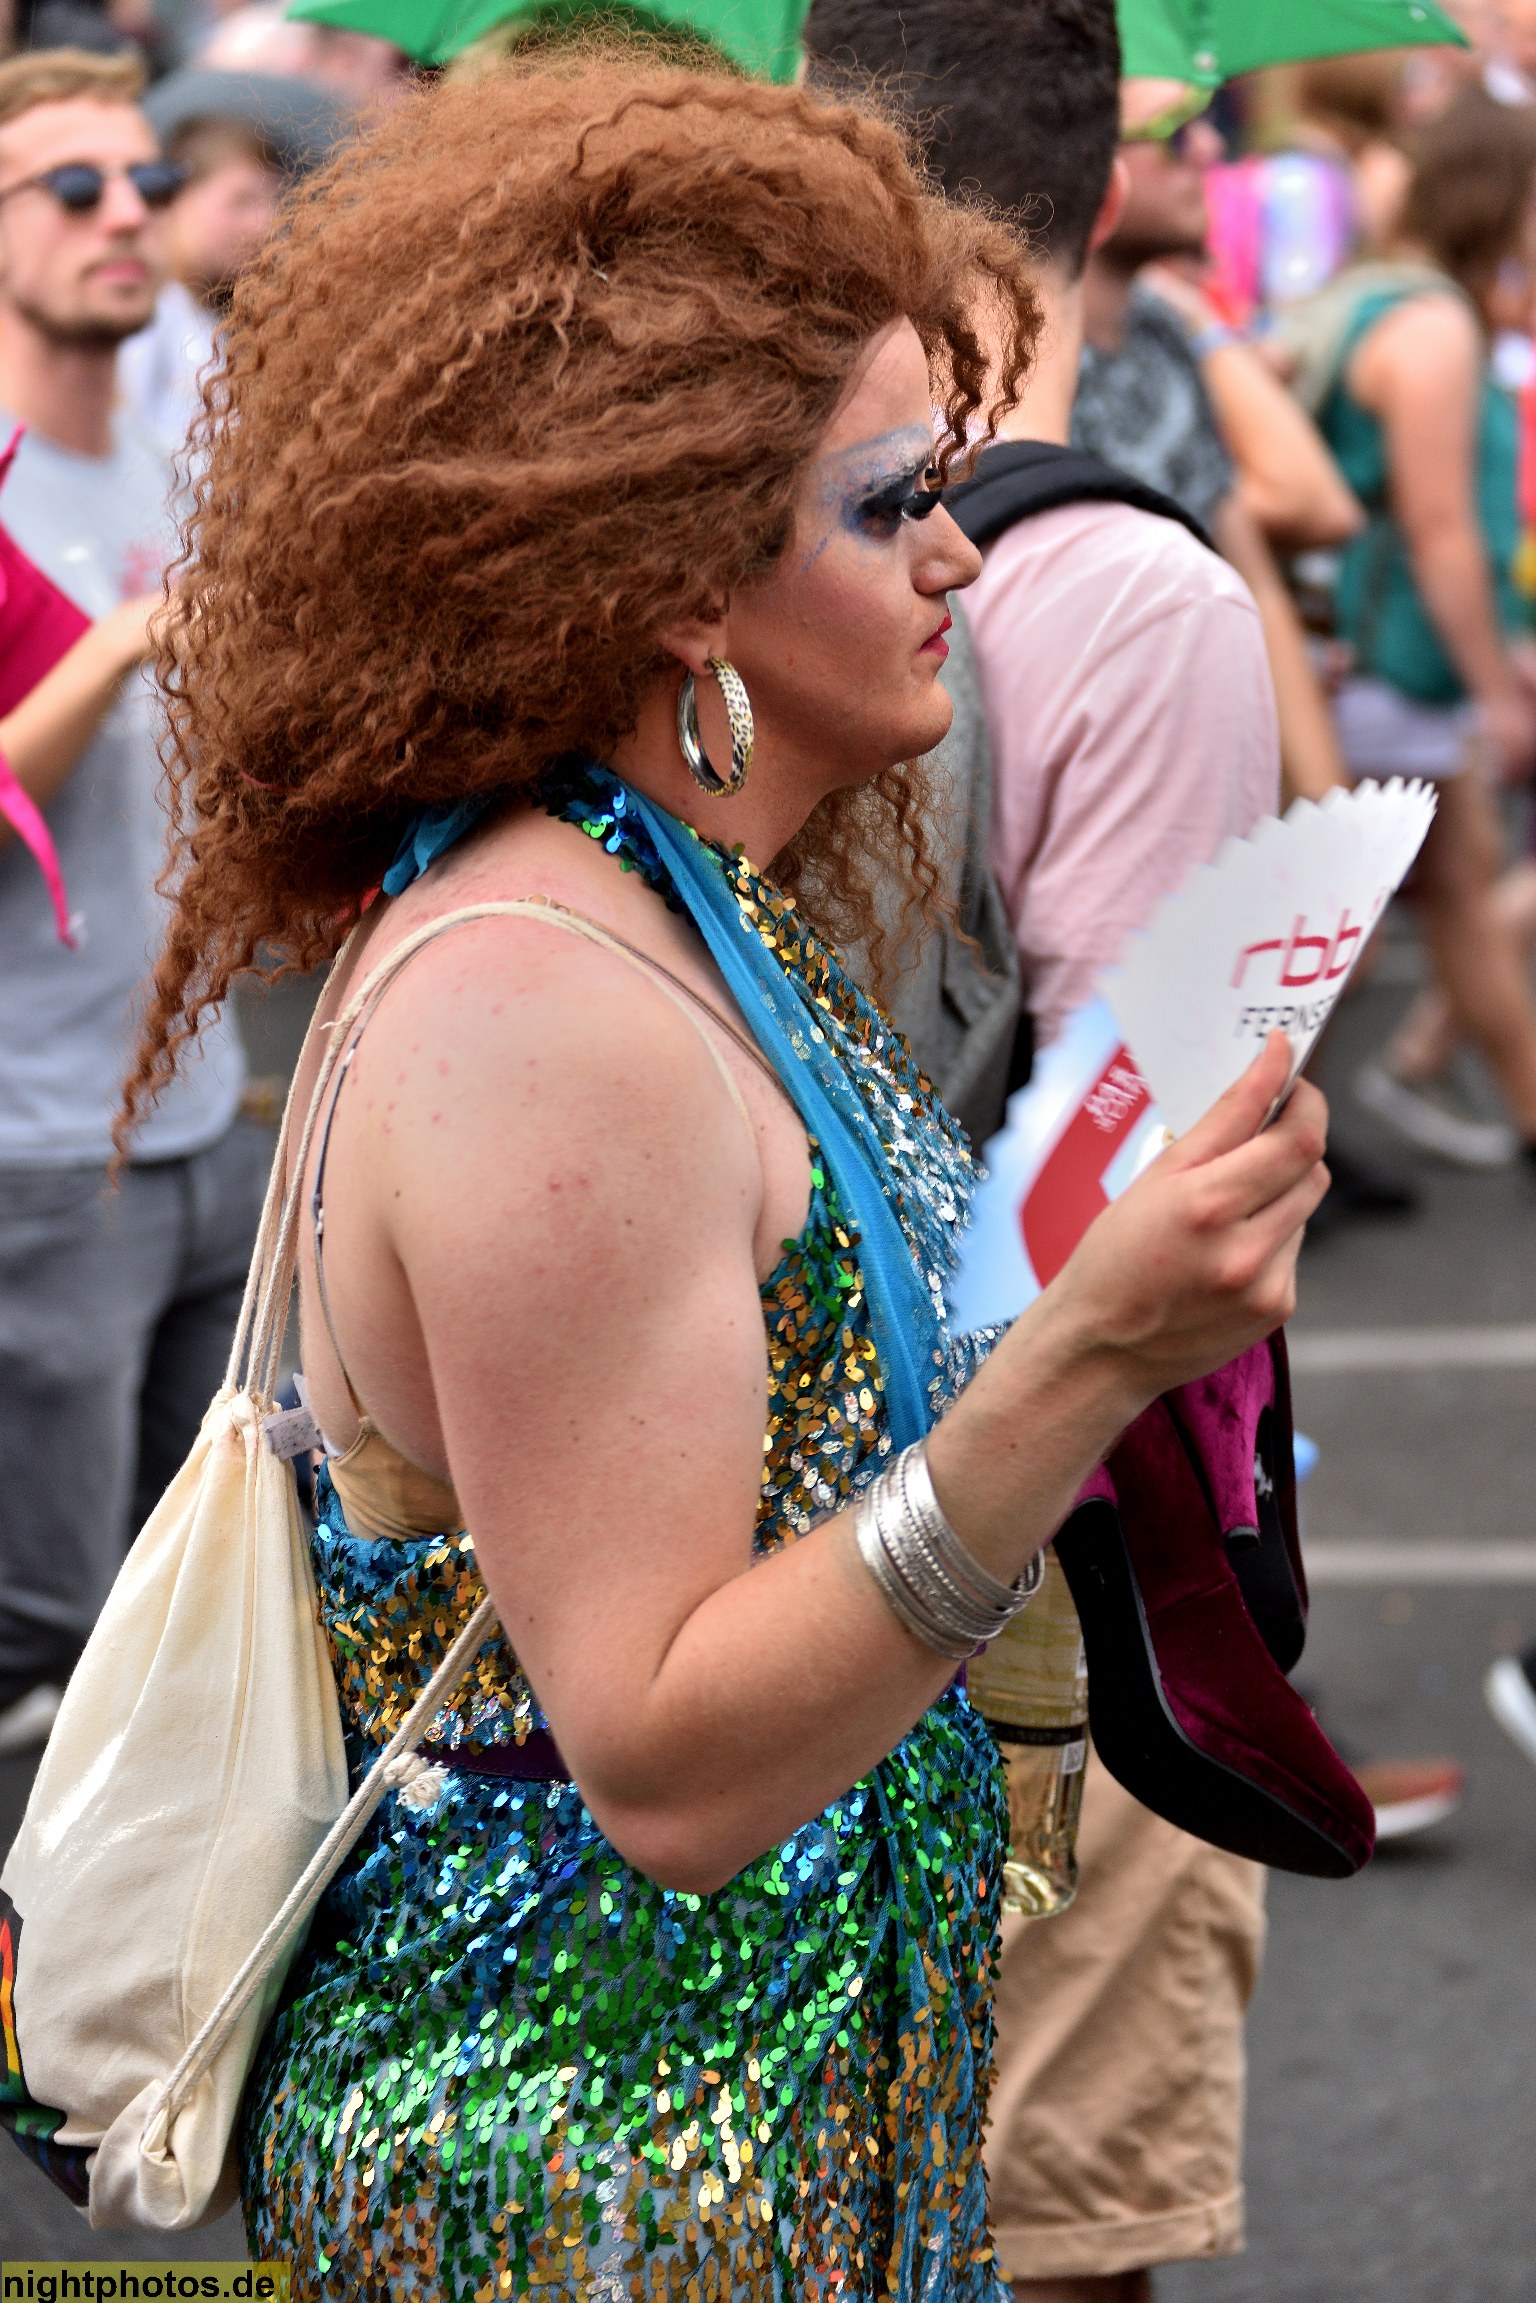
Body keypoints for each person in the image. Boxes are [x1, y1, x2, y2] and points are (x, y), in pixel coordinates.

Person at [122, 52, 1329, 2298]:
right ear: (678, 577)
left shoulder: (667, 906)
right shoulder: (544, 996)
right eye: (892, 506)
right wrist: (1091, 1351)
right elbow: (667, 1765)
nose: (960, 552)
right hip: (600, 2174)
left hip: (772, 2135)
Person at [0, 48, 255, 1756]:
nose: (122, 216)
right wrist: (112, 650)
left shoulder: (176, 472)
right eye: (73, 186)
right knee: (43, 1623)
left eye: (144, 184)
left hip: (206, 1125)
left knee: (185, 1616)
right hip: (39, 1154)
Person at [1290, 87, 1536, 1170]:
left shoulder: (1396, 297)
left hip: (1372, 664)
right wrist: (1500, 689)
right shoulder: (1432, 325)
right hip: (1386, 669)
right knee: (1326, 938)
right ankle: (1251, 1139)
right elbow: (1440, 531)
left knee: (1429, 903)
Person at [119, 65, 348, 457]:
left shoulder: (220, 320)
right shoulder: (140, 318)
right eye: (241, 201)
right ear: (177, 198)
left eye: (272, 202)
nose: (263, 224)